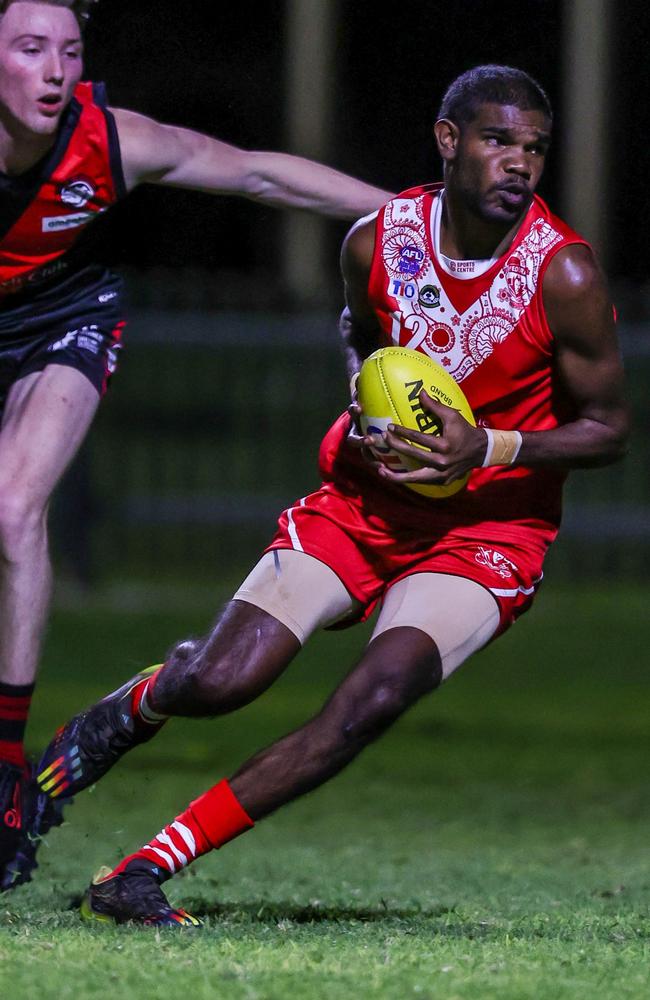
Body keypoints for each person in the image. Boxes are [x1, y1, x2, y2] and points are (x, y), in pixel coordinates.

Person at [9, 63, 629, 924]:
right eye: (498, 141)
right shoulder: (375, 241)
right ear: (448, 142)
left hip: (490, 531)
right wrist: (362, 398)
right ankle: (119, 717)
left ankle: (139, 872)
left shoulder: (563, 274)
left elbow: (610, 428)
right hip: (363, 503)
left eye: (534, 148)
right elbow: (367, 342)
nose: (519, 164)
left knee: (368, 701)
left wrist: (488, 443)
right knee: (219, 681)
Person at [0, 0, 395, 884]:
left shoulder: (105, 140)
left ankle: (7, 775)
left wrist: (409, 213)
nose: (57, 70)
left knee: (13, 509)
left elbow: (256, 175)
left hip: (62, 321)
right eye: (31, 49)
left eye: (69, 48)